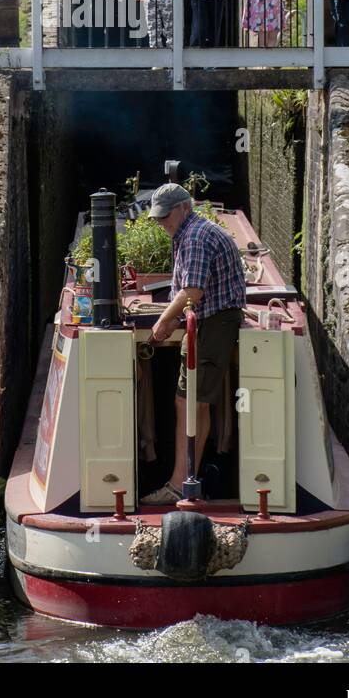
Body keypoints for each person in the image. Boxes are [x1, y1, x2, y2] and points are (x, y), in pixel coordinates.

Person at [141, 184, 246, 506]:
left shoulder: (197, 237)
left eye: (165, 217)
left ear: (184, 208)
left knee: (191, 403)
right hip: (207, 321)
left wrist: (162, 322)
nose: (162, 223)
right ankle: (184, 478)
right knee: (190, 403)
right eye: (158, 219)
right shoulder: (192, 232)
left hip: (213, 324)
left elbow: (193, 292)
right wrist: (175, 317)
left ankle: (179, 484)